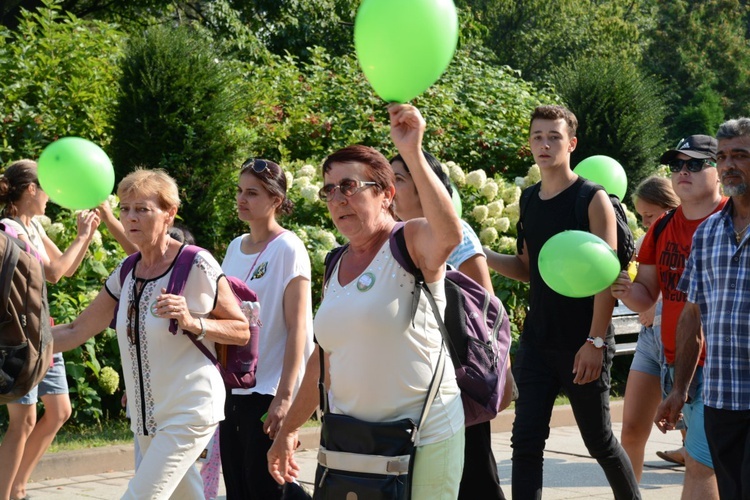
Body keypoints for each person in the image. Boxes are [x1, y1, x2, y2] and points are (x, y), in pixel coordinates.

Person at [267, 104, 465, 498]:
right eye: (329, 190)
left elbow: (450, 236)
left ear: (387, 194)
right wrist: (288, 430)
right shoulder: (335, 263)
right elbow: (322, 358)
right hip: (354, 444)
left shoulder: (409, 241)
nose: (338, 198)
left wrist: (411, 151)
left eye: (349, 186)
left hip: (424, 436)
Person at [51, 168, 250, 499]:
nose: (131, 217)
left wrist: (193, 320)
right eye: (125, 209)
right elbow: (76, 329)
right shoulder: (127, 270)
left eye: (142, 209)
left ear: (169, 213)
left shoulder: (195, 264)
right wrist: (21, 344)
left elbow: (240, 329)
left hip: (190, 409)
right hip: (146, 419)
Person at [484, 105, 640, 499]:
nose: (545, 144)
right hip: (538, 340)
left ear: (571, 144)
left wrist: (596, 341)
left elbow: (606, 276)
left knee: (600, 441)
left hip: (583, 342)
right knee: (526, 441)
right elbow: (527, 268)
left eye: (554, 136)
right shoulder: (529, 199)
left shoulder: (592, 198)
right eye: (538, 136)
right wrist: (479, 254)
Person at [390, 149, 512, 499]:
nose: (391, 189)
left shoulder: (455, 236)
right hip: (408, 383)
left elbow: (489, 316)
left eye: (399, 179)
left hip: (455, 383)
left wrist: (500, 376)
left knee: (475, 479)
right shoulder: (388, 236)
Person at [612, 135, 725, 499]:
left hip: (721, 365)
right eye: (676, 165)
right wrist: (623, 288)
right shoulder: (662, 227)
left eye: (694, 164)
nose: (682, 172)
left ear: (719, 169)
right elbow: (647, 292)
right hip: (674, 359)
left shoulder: (733, 220)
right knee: (701, 461)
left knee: (701, 464)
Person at [655, 118, 750, 499]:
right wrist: (679, 389)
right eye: (724, 156)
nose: (729, 165)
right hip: (722, 398)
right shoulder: (709, 232)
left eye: (740, 155)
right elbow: (692, 316)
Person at [0, 159, 101, 500]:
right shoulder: (8, 229)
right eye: (46, 187)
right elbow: (53, 272)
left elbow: (67, 269)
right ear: (30, 189)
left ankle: (17, 486)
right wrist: (83, 235)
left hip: (43, 334)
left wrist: (83, 238)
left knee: (60, 410)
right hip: (20, 338)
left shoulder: (34, 227)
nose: (51, 195)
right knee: (23, 421)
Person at [220, 158, 314, 500]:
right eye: (240, 191)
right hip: (233, 386)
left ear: (276, 200)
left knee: (267, 487)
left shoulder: (288, 248)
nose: (242, 199)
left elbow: (298, 328)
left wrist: (286, 397)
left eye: (253, 193)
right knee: (239, 489)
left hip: (268, 389)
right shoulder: (235, 247)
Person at [620, 176, 681, 480]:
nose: (645, 223)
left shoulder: (691, 231)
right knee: (630, 430)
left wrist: (656, 306)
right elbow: (645, 289)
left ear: (670, 206)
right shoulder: (649, 238)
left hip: (683, 342)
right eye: (641, 217)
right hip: (649, 341)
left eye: (649, 215)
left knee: (699, 440)